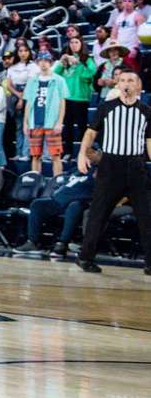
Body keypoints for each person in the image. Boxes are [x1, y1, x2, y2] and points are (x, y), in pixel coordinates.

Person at [76, 71, 151, 274]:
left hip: (136, 166)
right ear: (118, 84)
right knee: (98, 213)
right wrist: (82, 154)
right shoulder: (106, 108)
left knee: (146, 215)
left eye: (131, 80)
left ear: (138, 86)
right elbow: (91, 132)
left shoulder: (146, 111)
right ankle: (85, 257)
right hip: (111, 165)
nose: (126, 83)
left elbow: (149, 141)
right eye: (123, 80)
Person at [14, 166, 95, 256]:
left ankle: (62, 243)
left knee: (74, 206)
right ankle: (32, 242)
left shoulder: (98, 171)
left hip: (78, 203)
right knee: (37, 204)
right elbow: (61, 179)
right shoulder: (77, 168)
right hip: (58, 201)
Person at [25, 52, 68, 176]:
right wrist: (26, 123)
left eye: (46, 60)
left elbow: (62, 103)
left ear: (51, 62)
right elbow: (28, 103)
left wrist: (59, 122)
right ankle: (35, 181)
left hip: (51, 122)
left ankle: (57, 181)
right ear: (38, 63)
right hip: (35, 121)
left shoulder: (58, 80)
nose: (43, 63)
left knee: (55, 154)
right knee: (35, 155)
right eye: (41, 61)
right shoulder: (32, 81)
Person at [54, 36, 95, 153]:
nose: (73, 44)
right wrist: (62, 62)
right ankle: (68, 152)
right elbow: (55, 75)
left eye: (76, 42)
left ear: (81, 44)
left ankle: (85, 152)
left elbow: (89, 75)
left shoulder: (87, 60)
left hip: (81, 98)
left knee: (82, 126)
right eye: (71, 42)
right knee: (67, 126)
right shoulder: (66, 59)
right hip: (66, 97)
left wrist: (79, 64)